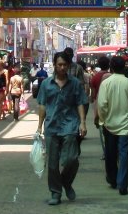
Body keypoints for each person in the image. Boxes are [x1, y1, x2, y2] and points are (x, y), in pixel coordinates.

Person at [36, 51, 87, 205]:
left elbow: (80, 103)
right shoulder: (46, 84)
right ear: (54, 65)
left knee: (72, 159)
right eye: (59, 64)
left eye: (65, 65)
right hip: (51, 126)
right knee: (52, 164)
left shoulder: (75, 84)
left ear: (69, 65)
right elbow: (42, 105)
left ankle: (66, 181)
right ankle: (55, 193)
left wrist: (83, 122)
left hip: (70, 126)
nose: (62, 67)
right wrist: (39, 126)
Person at [97, 55, 128, 195]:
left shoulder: (106, 83)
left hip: (109, 124)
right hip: (125, 124)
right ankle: (123, 184)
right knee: (124, 153)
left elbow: (102, 105)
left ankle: (112, 179)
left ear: (111, 67)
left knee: (110, 152)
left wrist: (103, 119)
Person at [89, 55, 110, 159]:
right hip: (111, 104)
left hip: (99, 105)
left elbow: (93, 96)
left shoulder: (95, 77)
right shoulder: (111, 75)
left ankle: (105, 152)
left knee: (102, 130)